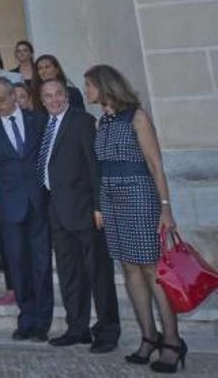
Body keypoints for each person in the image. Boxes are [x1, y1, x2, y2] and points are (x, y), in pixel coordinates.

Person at [85, 65, 185, 372]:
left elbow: (156, 165)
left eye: (89, 85)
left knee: (152, 270)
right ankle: (148, 337)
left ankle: (172, 341)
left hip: (139, 195)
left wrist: (165, 208)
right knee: (129, 269)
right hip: (111, 199)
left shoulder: (137, 117)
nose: (86, 91)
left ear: (105, 85)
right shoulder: (103, 121)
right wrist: (100, 206)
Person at [38, 79, 120, 353]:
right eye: (48, 96)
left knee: (99, 273)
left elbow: (94, 166)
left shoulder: (81, 121)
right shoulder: (45, 125)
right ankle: (78, 327)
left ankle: (108, 331)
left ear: (67, 95)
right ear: (42, 99)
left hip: (85, 211)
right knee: (69, 273)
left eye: (58, 94)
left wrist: (100, 207)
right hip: (57, 212)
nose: (54, 100)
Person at [0, 77, 53, 342]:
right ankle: (26, 317)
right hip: (9, 208)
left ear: (14, 96)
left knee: (41, 263)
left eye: (1, 100)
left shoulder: (37, 121)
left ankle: (43, 320)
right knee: (17, 264)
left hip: (39, 203)